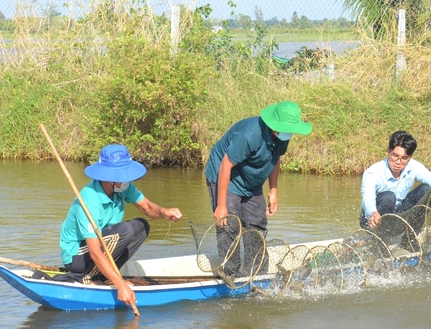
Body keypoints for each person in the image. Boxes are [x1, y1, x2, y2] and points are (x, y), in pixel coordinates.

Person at [60, 144, 182, 305]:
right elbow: (95, 252)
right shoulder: (90, 201)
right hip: (77, 257)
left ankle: (103, 276)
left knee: (141, 226)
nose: (127, 181)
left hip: (101, 245)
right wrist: (121, 284)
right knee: (125, 230)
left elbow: (147, 207)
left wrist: (164, 212)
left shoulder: (122, 188)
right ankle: (86, 277)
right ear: (110, 179)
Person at [204, 101, 313, 277]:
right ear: (274, 126)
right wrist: (221, 204)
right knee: (229, 223)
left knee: (256, 224)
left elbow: (275, 159)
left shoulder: (282, 136)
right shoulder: (249, 135)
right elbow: (225, 166)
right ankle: (230, 272)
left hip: (251, 181)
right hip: (225, 176)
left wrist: (273, 190)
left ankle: (256, 273)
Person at [359, 131, 431, 234]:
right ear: (388, 152)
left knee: (426, 189)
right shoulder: (373, 172)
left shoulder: (413, 167)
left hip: (398, 215)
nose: (398, 162)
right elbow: (368, 197)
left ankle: (410, 238)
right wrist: (373, 213)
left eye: (404, 158)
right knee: (389, 197)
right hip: (372, 218)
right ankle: (378, 237)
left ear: (409, 158)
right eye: (395, 155)